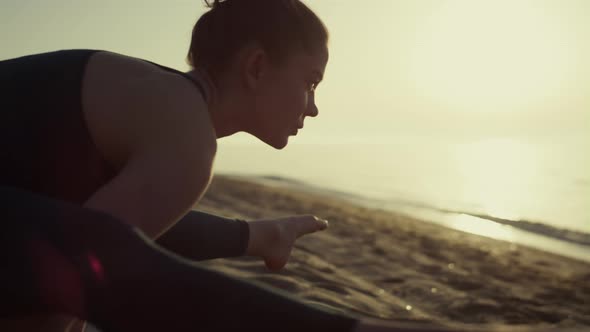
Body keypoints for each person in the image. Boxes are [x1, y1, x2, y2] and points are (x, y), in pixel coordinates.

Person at [0, 1, 499, 331]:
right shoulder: (188, 137)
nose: (313, 106)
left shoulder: (161, 101)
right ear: (256, 67)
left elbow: (76, 226)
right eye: (311, 82)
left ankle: (262, 236)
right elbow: (77, 273)